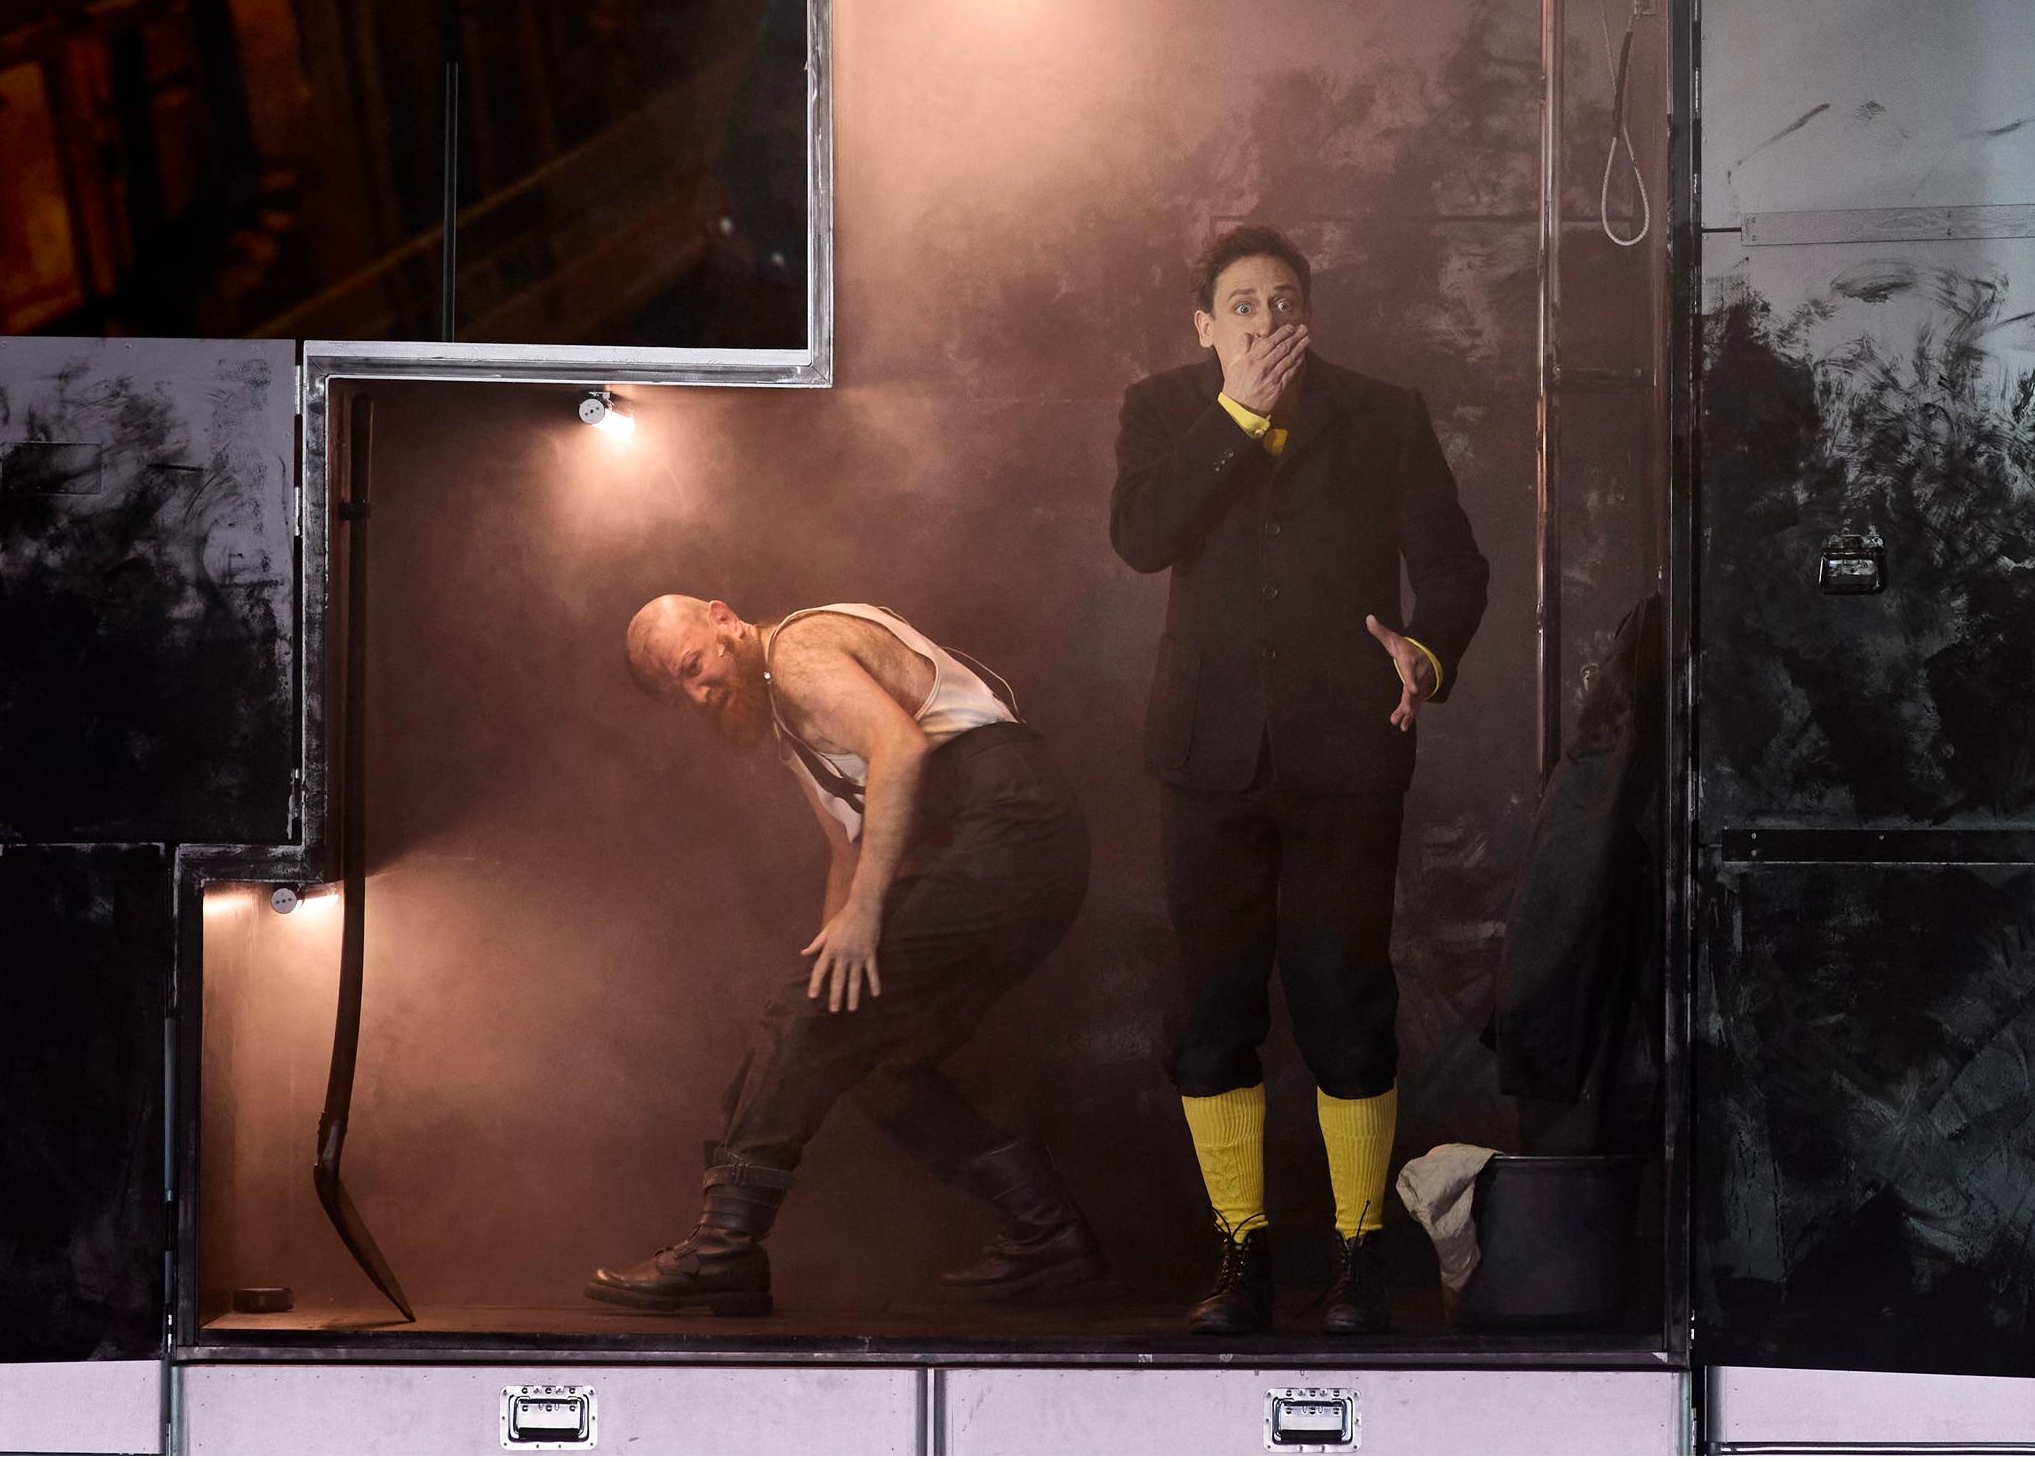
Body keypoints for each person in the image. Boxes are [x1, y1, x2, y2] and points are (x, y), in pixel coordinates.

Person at [1110, 225, 1488, 1338]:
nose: (1264, 321)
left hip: (1346, 753)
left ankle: (1362, 1253)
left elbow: (1457, 572)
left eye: (1281, 301)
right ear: (1204, 323)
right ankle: (1243, 1253)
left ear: (1307, 311)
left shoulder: (1381, 410)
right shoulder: (1161, 405)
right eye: (1240, 304)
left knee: (1344, 998)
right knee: (1213, 1009)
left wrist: (1425, 654)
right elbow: (1140, 536)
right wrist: (1233, 413)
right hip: (1204, 760)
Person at [586, 598, 1100, 1316]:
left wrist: (850, 937)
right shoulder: (786, 726)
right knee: (875, 1059)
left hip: (1006, 823)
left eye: (694, 666)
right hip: (1009, 848)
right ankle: (1050, 1233)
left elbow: (902, 749)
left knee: (811, 1017)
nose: (700, 694)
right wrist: (820, 995)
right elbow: (845, 848)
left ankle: (723, 1250)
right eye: (683, 693)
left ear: (723, 618)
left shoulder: (797, 649)